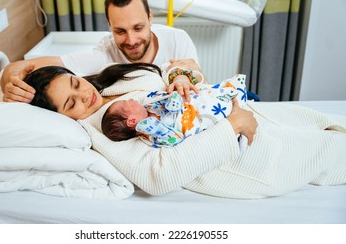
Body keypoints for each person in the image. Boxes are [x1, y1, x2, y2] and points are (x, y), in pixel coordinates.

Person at [22, 62, 346, 199]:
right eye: (71, 103)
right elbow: (158, 177)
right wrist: (234, 124)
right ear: (63, 117)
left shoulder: (106, 81)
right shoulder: (101, 132)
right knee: (332, 151)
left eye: (75, 84)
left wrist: (180, 77)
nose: (84, 95)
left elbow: (165, 74)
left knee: (324, 120)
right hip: (241, 143)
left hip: (245, 112)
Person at [1, 0, 204, 103]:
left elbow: (200, 89)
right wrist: (9, 82)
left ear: (150, 19)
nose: (131, 40)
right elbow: (15, 67)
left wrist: (193, 76)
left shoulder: (178, 39)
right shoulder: (103, 54)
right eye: (120, 31)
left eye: (138, 28)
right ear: (109, 26)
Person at [101, 74, 249, 149]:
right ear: (132, 121)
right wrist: (157, 129)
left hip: (190, 106)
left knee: (216, 93)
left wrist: (173, 100)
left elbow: (169, 98)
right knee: (215, 112)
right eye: (127, 103)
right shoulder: (152, 138)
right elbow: (175, 138)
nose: (132, 100)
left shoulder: (149, 105)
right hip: (193, 122)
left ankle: (232, 94)